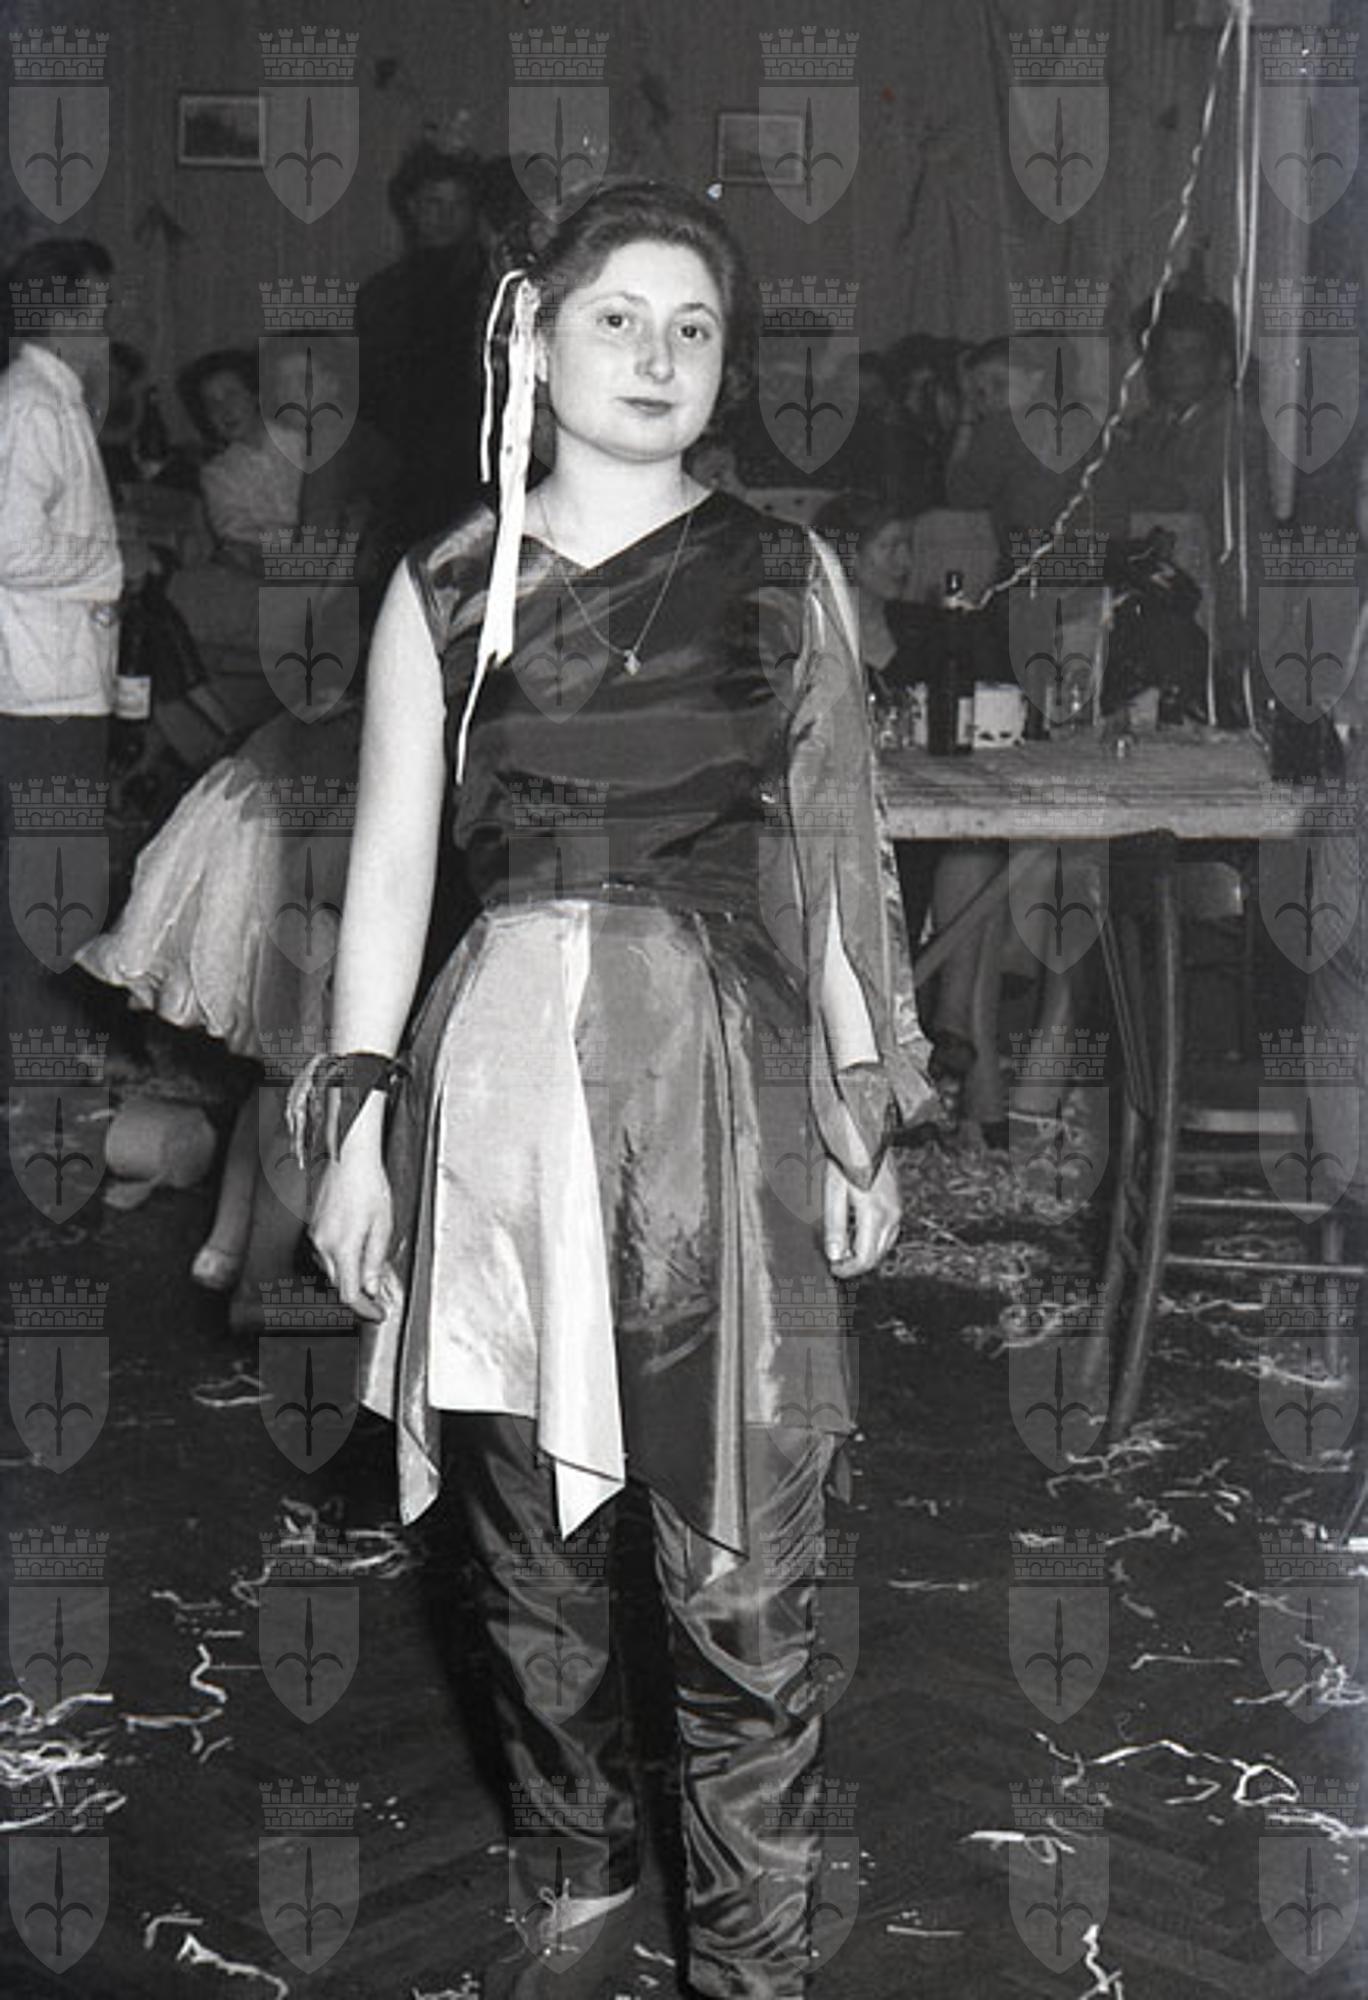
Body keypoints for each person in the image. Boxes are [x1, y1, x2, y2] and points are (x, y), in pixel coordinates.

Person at [296, 182, 933, 1997]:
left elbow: (829, 865)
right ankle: (572, 1871)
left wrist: (859, 1114)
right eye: (617, 320)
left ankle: (751, 1956)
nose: (658, 358)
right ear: (533, 337)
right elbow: (392, 873)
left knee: (744, 1559)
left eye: (694, 328)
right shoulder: (444, 585)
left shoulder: (784, 574)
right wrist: (354, 1126)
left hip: (721, 1099)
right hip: (500, 1103)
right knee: (526, 1539)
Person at [0, 236, 146, 1039]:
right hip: (39, 689)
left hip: (61, 678)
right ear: (63, 311)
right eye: (100, 305)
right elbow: (11, 547)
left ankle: (45, 1056)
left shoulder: (55, 401)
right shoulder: (30, 406)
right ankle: (37, 1066)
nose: (108, 321)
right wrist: (116, 564)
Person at [355, 142, 489, 541]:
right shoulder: (382, 293)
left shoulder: (496, 284)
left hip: (482, 453)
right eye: (434, 203)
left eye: (459, 204)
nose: (446, 216)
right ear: (411, 207)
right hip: (409, 460)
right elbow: (370, 389)